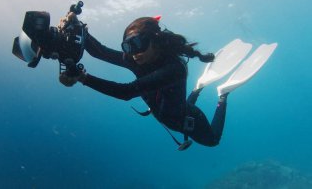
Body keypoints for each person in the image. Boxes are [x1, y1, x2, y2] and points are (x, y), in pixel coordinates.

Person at [59, 14, 228, 150]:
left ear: (154, 40)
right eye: (128, 47)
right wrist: (80, 30)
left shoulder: (174, 68)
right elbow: (101, 52)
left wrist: (83, 78)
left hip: (188, 119)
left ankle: (223, 95)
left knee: (212, 141)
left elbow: (126, 92)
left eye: (139, 44)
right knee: (176, 101)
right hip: (171, 107)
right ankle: (197, 90)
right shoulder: (138, 58)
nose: (135, 54)